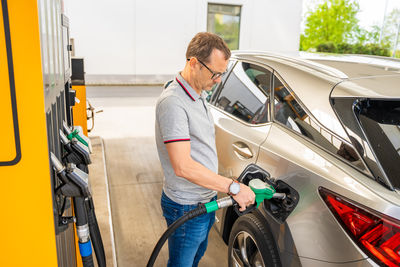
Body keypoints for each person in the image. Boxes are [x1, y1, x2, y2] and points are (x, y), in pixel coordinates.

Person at [155, 32, 256, 267]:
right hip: (186, 206)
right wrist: (232, 187)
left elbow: (200, 148)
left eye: (222, 73)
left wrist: (221, 181)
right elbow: (182, 166)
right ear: (193, 63)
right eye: (216, 73)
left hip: (204, 199)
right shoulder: (173, 102)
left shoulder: (198, 93)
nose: (218, 80)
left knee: (194, 259)